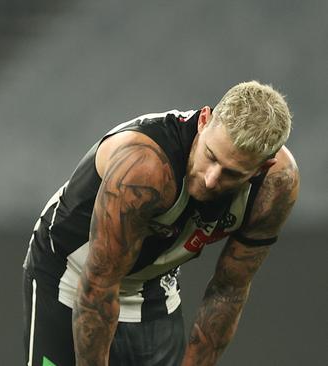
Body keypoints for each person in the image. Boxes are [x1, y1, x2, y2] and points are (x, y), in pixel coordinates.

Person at [23, 81, 299, 366]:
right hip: (71, 275)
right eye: (211, 157)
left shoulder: (277, 184)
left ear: (262, 167)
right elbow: (99, 283)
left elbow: (229, 290)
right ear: (204, 120)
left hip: (151, 287)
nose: (211, 179)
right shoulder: (143, 166)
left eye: (232, 173)